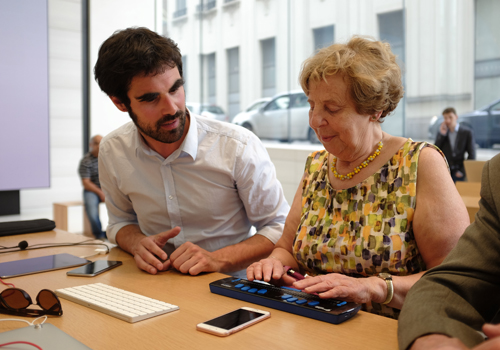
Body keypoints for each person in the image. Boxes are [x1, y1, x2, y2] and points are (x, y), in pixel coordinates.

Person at [246, 36, 470, 318]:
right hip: (313, 325)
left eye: (332, 108)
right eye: (312, 104)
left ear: (374, 110)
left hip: (392, 329)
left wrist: (375, 288)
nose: (315, 120)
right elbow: (287, 249)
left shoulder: (418, 163)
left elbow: (455, 280)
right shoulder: (316, 166)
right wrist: (275, 264)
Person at [93, 27, 289, 277]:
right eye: (151, 99)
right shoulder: (113, 150)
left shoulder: (237, 146)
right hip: (154, 282)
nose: (171, 108)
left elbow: (279, 227)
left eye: (175, 89)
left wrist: (217, 260)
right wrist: (135, 242)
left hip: (229, 285)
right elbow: (120, 222)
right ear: (120, 103)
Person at [398, 153, 500, 350]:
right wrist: (433, 336)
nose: (318, 121)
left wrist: (381, 287)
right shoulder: (497, 173)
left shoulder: (420, 160)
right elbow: (452, 281)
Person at [434, 107, 476, 182]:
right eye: (445, 118)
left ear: (456, 117)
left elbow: (472, 154)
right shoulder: (442, 133)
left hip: (459, 171)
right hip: (445, 171)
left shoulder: (466, 132)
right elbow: (435, 151)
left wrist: (463, 171)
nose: (448, 120)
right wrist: (442, 135)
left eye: (450, 117)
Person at [78, 135, 106, 239]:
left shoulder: (109, 158)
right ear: (91, 145)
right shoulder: (86, 161)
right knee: (91, 210)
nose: (100, 146)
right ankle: (99, 235)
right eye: (97, 143)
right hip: (92, 190)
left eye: (102, 143)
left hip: (108, 188)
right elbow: (86, 183)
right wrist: (100, 192)